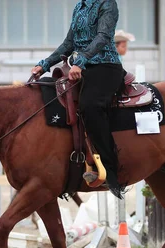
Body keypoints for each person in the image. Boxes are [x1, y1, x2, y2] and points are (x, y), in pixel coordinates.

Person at [31, 0, 126, 198]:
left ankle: (110, 171)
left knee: (90, 105)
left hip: (105, 66)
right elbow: (68, 44)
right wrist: (45, 64)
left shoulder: (107, 4)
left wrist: (81, 61)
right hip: (80, 68)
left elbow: (103, 37)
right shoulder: (80, 6)